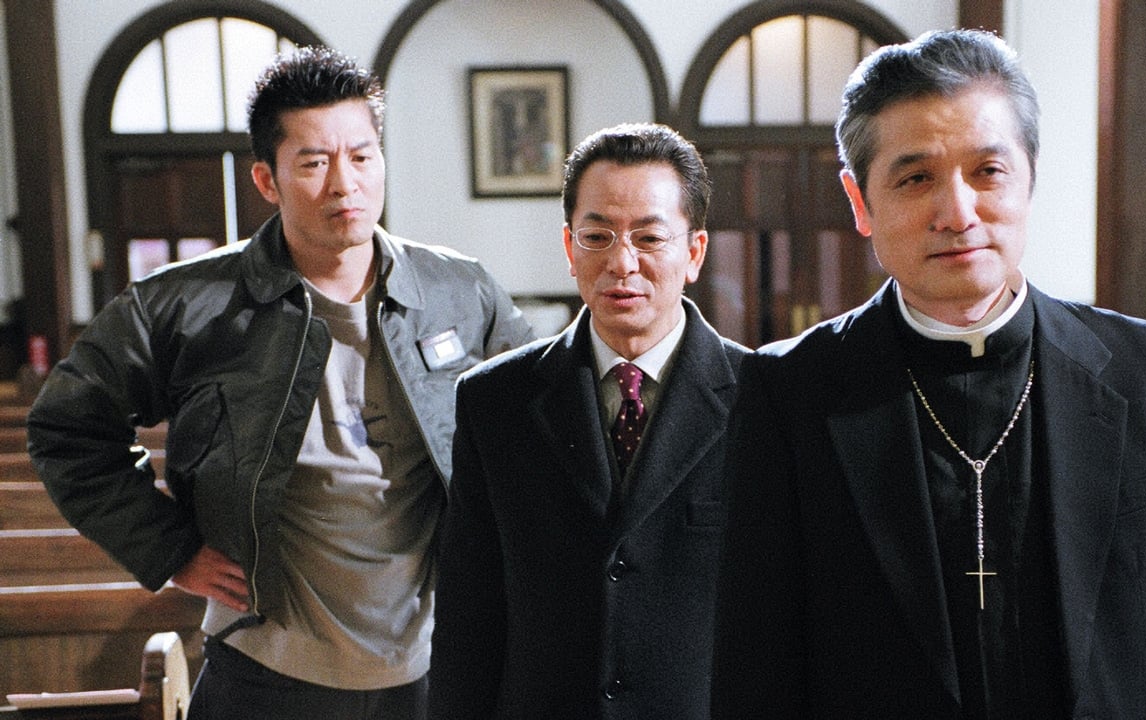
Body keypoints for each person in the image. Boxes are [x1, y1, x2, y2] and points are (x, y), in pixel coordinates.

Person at [711, 29, 1146, 719]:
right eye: (916, 178)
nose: (958, 213)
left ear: (1030, 178)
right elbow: (756, 668)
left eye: (987, 171)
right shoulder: (788, 391)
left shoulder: (1143, 372)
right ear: (860, 201)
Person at [26, 46, 532, 719]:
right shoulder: (185, 304)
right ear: (267, 179)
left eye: (362, 156)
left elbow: (538, 430)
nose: (345, 185)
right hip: (267, 668)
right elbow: (65, 426)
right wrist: (171, 548)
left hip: (437, 662)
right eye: (314, 163)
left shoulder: (460, 292)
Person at [427, 123, 747, 719]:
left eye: (649, 238)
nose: (622, 263)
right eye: (598, 237)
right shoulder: (495, 401)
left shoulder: (761, 397)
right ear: (570, 248)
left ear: (695, 252)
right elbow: (469, 620)